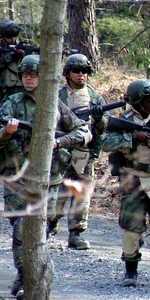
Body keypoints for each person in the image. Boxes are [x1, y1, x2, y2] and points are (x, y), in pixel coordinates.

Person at [0, 54, 91, 300]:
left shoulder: (55, 105)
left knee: (42, 230)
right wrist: (7, 131)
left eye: (33, 75)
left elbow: (84, 132)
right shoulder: (11, 103)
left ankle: (28, 276)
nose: (28, 79)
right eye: (25, 75)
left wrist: (58, 141)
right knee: (22, 229)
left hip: (50, 179)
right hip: (19, 179)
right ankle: (27, 279)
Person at [102, 79, 150, 287]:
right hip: (132, 179)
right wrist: (132, 137)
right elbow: (105, 142)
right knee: (132, 228)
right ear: (137, 100)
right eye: (149, 99)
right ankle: (131, 271)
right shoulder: (124, 120)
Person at [47, 54, 106, 250]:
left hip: (83, 151)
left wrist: (99, 121)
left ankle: (76, 233)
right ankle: (50, 223)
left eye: (85, 71)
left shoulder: (95, 97)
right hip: (60, 149)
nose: (81, 75)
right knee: (57, 192)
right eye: (77, 71)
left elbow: (101, 131)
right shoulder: (58, 95)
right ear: (67, 73)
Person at [0, 20, 25, 107]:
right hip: (4, 95)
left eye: (15, 35)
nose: (12, 39)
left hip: (24, 94)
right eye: (9, 36)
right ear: (2, 36)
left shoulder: (24, 49)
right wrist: (9, 57)